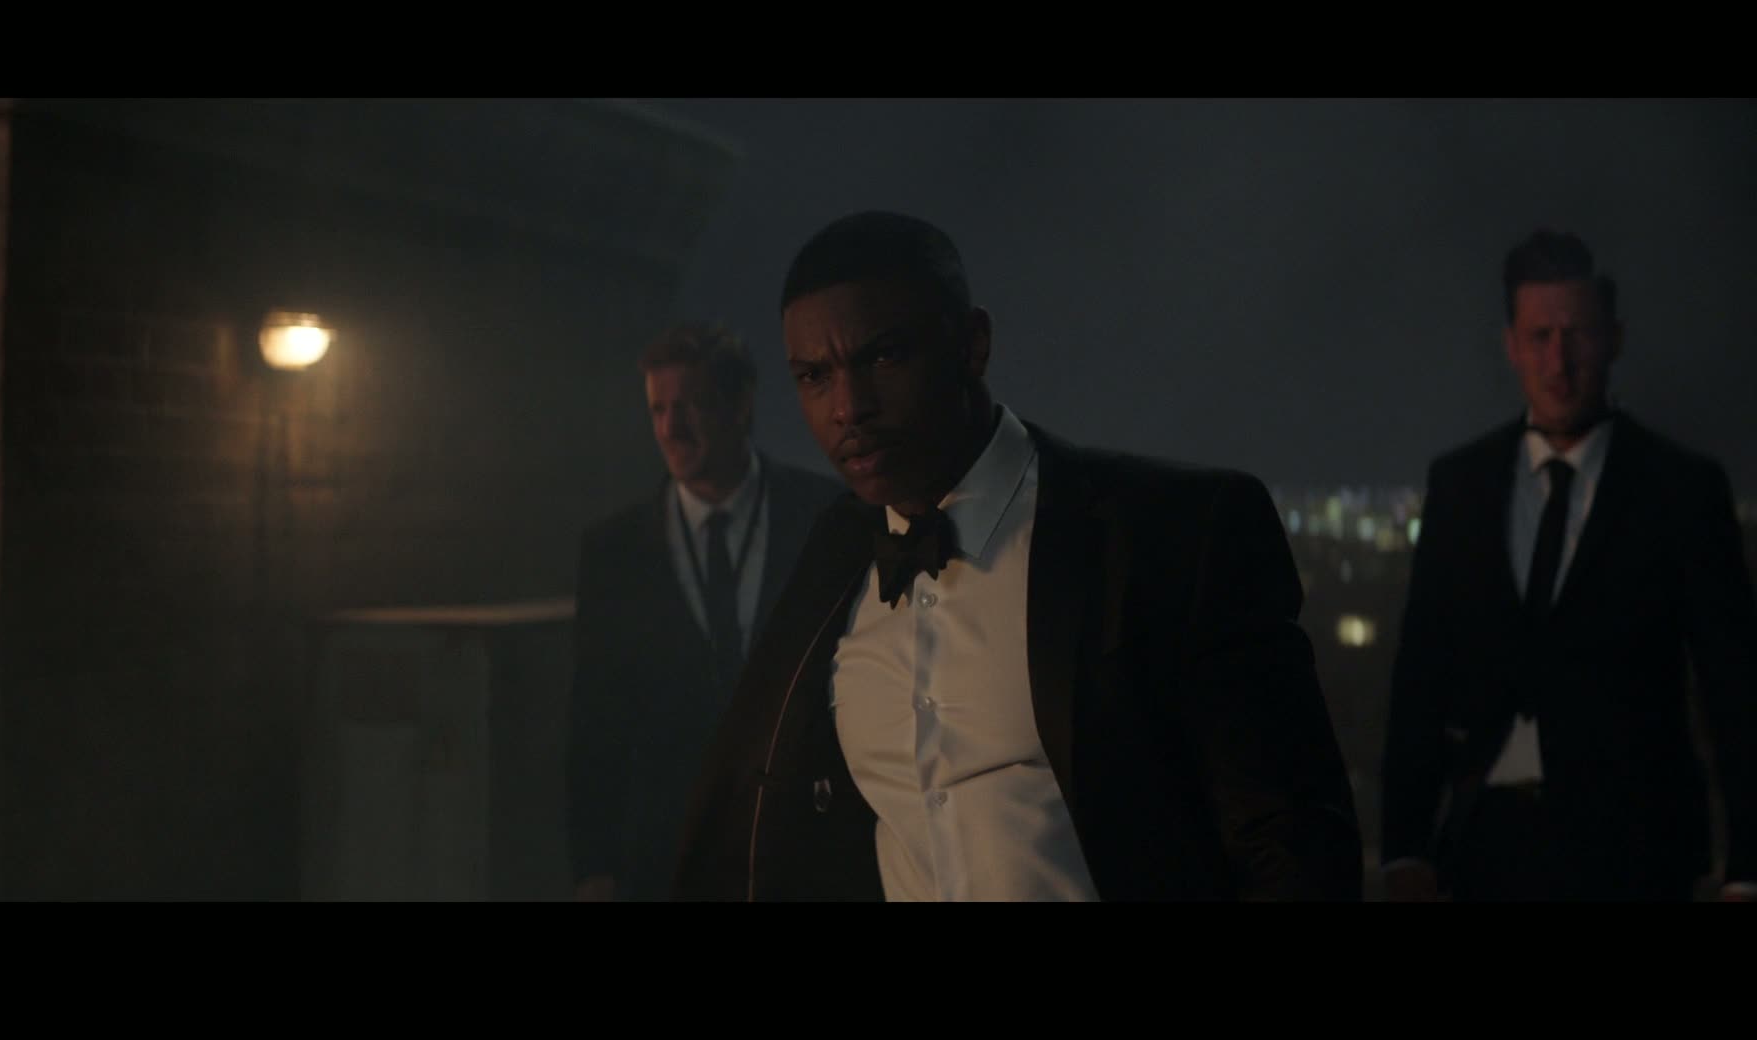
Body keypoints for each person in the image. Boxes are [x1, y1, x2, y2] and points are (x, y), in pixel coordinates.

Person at [670, 211, 1361, 901]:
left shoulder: (1172, 532)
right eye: (814, 376)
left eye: (885, 356)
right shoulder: (835, 553)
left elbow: (1292, 847)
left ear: (972, 345)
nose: (849, 407)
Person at [1381, 229, 1757, 902]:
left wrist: (1748, 869)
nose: (1559, 360)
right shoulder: (1461, 485)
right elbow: (1421, 679)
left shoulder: (1682, 490)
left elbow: (1735, 691)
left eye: (1576, 334)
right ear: (1511, 345)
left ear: (1614, 339)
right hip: (1483, 854)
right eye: (1540, 336)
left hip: (1639, 860)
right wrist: (1404, 848)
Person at [567, 324, 844, 902]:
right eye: (658, 409)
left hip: (805, 851)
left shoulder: (823, 518)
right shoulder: (614, 551)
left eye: (689, 405)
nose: (670, 428)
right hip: (667, 860)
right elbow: (595, 718)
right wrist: (593, 868)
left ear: (740, 405)